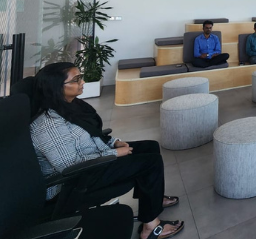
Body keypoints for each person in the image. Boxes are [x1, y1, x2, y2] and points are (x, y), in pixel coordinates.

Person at [30, 63, 184, 239]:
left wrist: (114, 142)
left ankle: (153, 199)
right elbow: (69, 166)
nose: (83, 82)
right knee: (150, 163)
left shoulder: (69, 106)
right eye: (76, 79)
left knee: (150, 146)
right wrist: (114, 153)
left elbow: (93, 135)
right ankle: (150, 226)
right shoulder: (48, 124)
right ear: (56, 87)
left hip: (93, 160)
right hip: (76, 180)